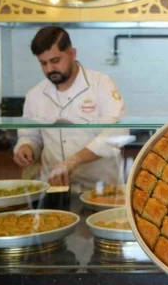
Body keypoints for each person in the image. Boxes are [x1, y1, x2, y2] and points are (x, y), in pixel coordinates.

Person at [13, 26, 129, 191]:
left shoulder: (101, 84)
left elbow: (117, 132)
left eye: (55, 61)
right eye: (43, 63)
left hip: (100, 189)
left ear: (72, 53)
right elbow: (31, 136)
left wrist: (73, 161)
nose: (49, 69)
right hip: (53, 189)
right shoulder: (35, 94)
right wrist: (26, 147)